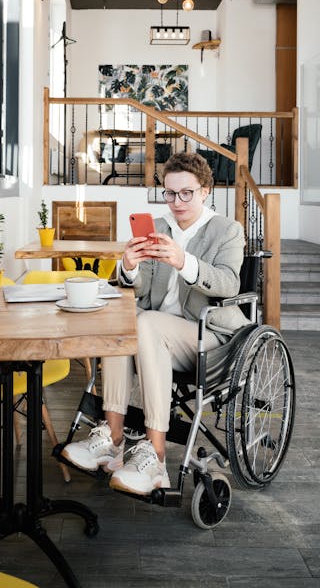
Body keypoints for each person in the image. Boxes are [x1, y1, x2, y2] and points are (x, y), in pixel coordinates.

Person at [62, 151, 249, 496]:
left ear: (205, 190)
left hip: (205, 336)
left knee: (144, 322)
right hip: (154, 331)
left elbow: (228, 284)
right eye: (170, 193)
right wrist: (130, 267)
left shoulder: (227, 230)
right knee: (128, 319)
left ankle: (157, 459)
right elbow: (144, 290)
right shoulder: (159, 227)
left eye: (186, 193)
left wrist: (185, 262)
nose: (177, 202)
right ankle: (113, 439)